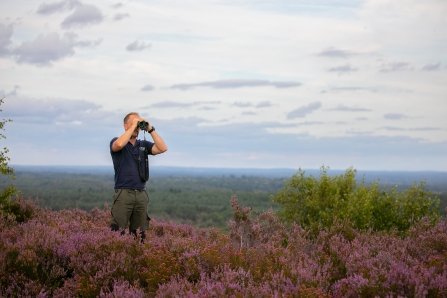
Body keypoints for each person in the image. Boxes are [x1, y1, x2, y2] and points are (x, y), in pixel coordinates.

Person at [109, 112, 168, 242]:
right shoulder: (117, 141)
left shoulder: (143, 145)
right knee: (117, 232)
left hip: (141, 193)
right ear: (125, 126)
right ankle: (115, 259)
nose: (136, 128)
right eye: (133, 124)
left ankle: (137, 258)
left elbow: (163, 148)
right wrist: (133, 127)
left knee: (139, 234)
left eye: (138, 125)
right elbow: (118, 145)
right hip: (124, 193)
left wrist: (150, 129)